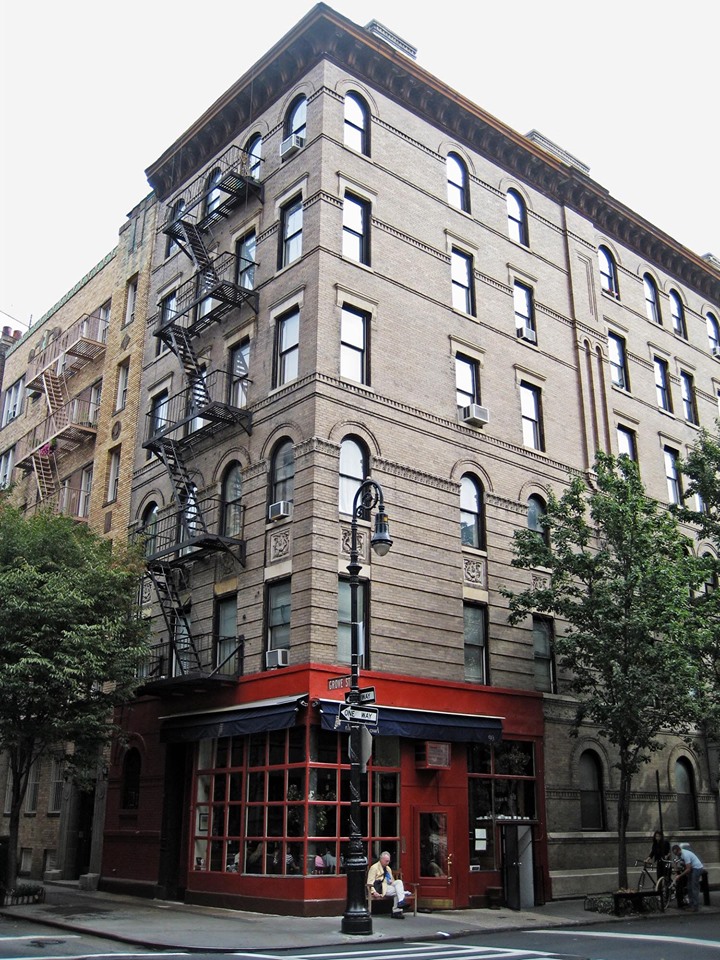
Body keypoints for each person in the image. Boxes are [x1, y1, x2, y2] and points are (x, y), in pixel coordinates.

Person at [367, 850, 406, 919]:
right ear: (381, 859)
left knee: (399, 882)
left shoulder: (388, 868)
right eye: (386, 861)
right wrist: (373, 892)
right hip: (381, 888)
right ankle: (396, 911)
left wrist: (391, 881)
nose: (388, 863)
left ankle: (401, 901)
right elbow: (369, 882)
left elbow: (392, 881)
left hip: (388, 886)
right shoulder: (374, 868)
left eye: (388, 861)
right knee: (399, 891)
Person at [671, 843, 704, 912]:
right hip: (692, 869)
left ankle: (695, 906)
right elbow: (676, 863)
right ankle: (691, 904)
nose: (676, 855)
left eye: (677, 853)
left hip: (697, 868)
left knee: (693, 887)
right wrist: (676, 867)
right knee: (689, 887)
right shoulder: (679, 855)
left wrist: (679, 876)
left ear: (679, 850)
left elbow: (688, 869)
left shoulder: (685, 855)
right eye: (675, 854)